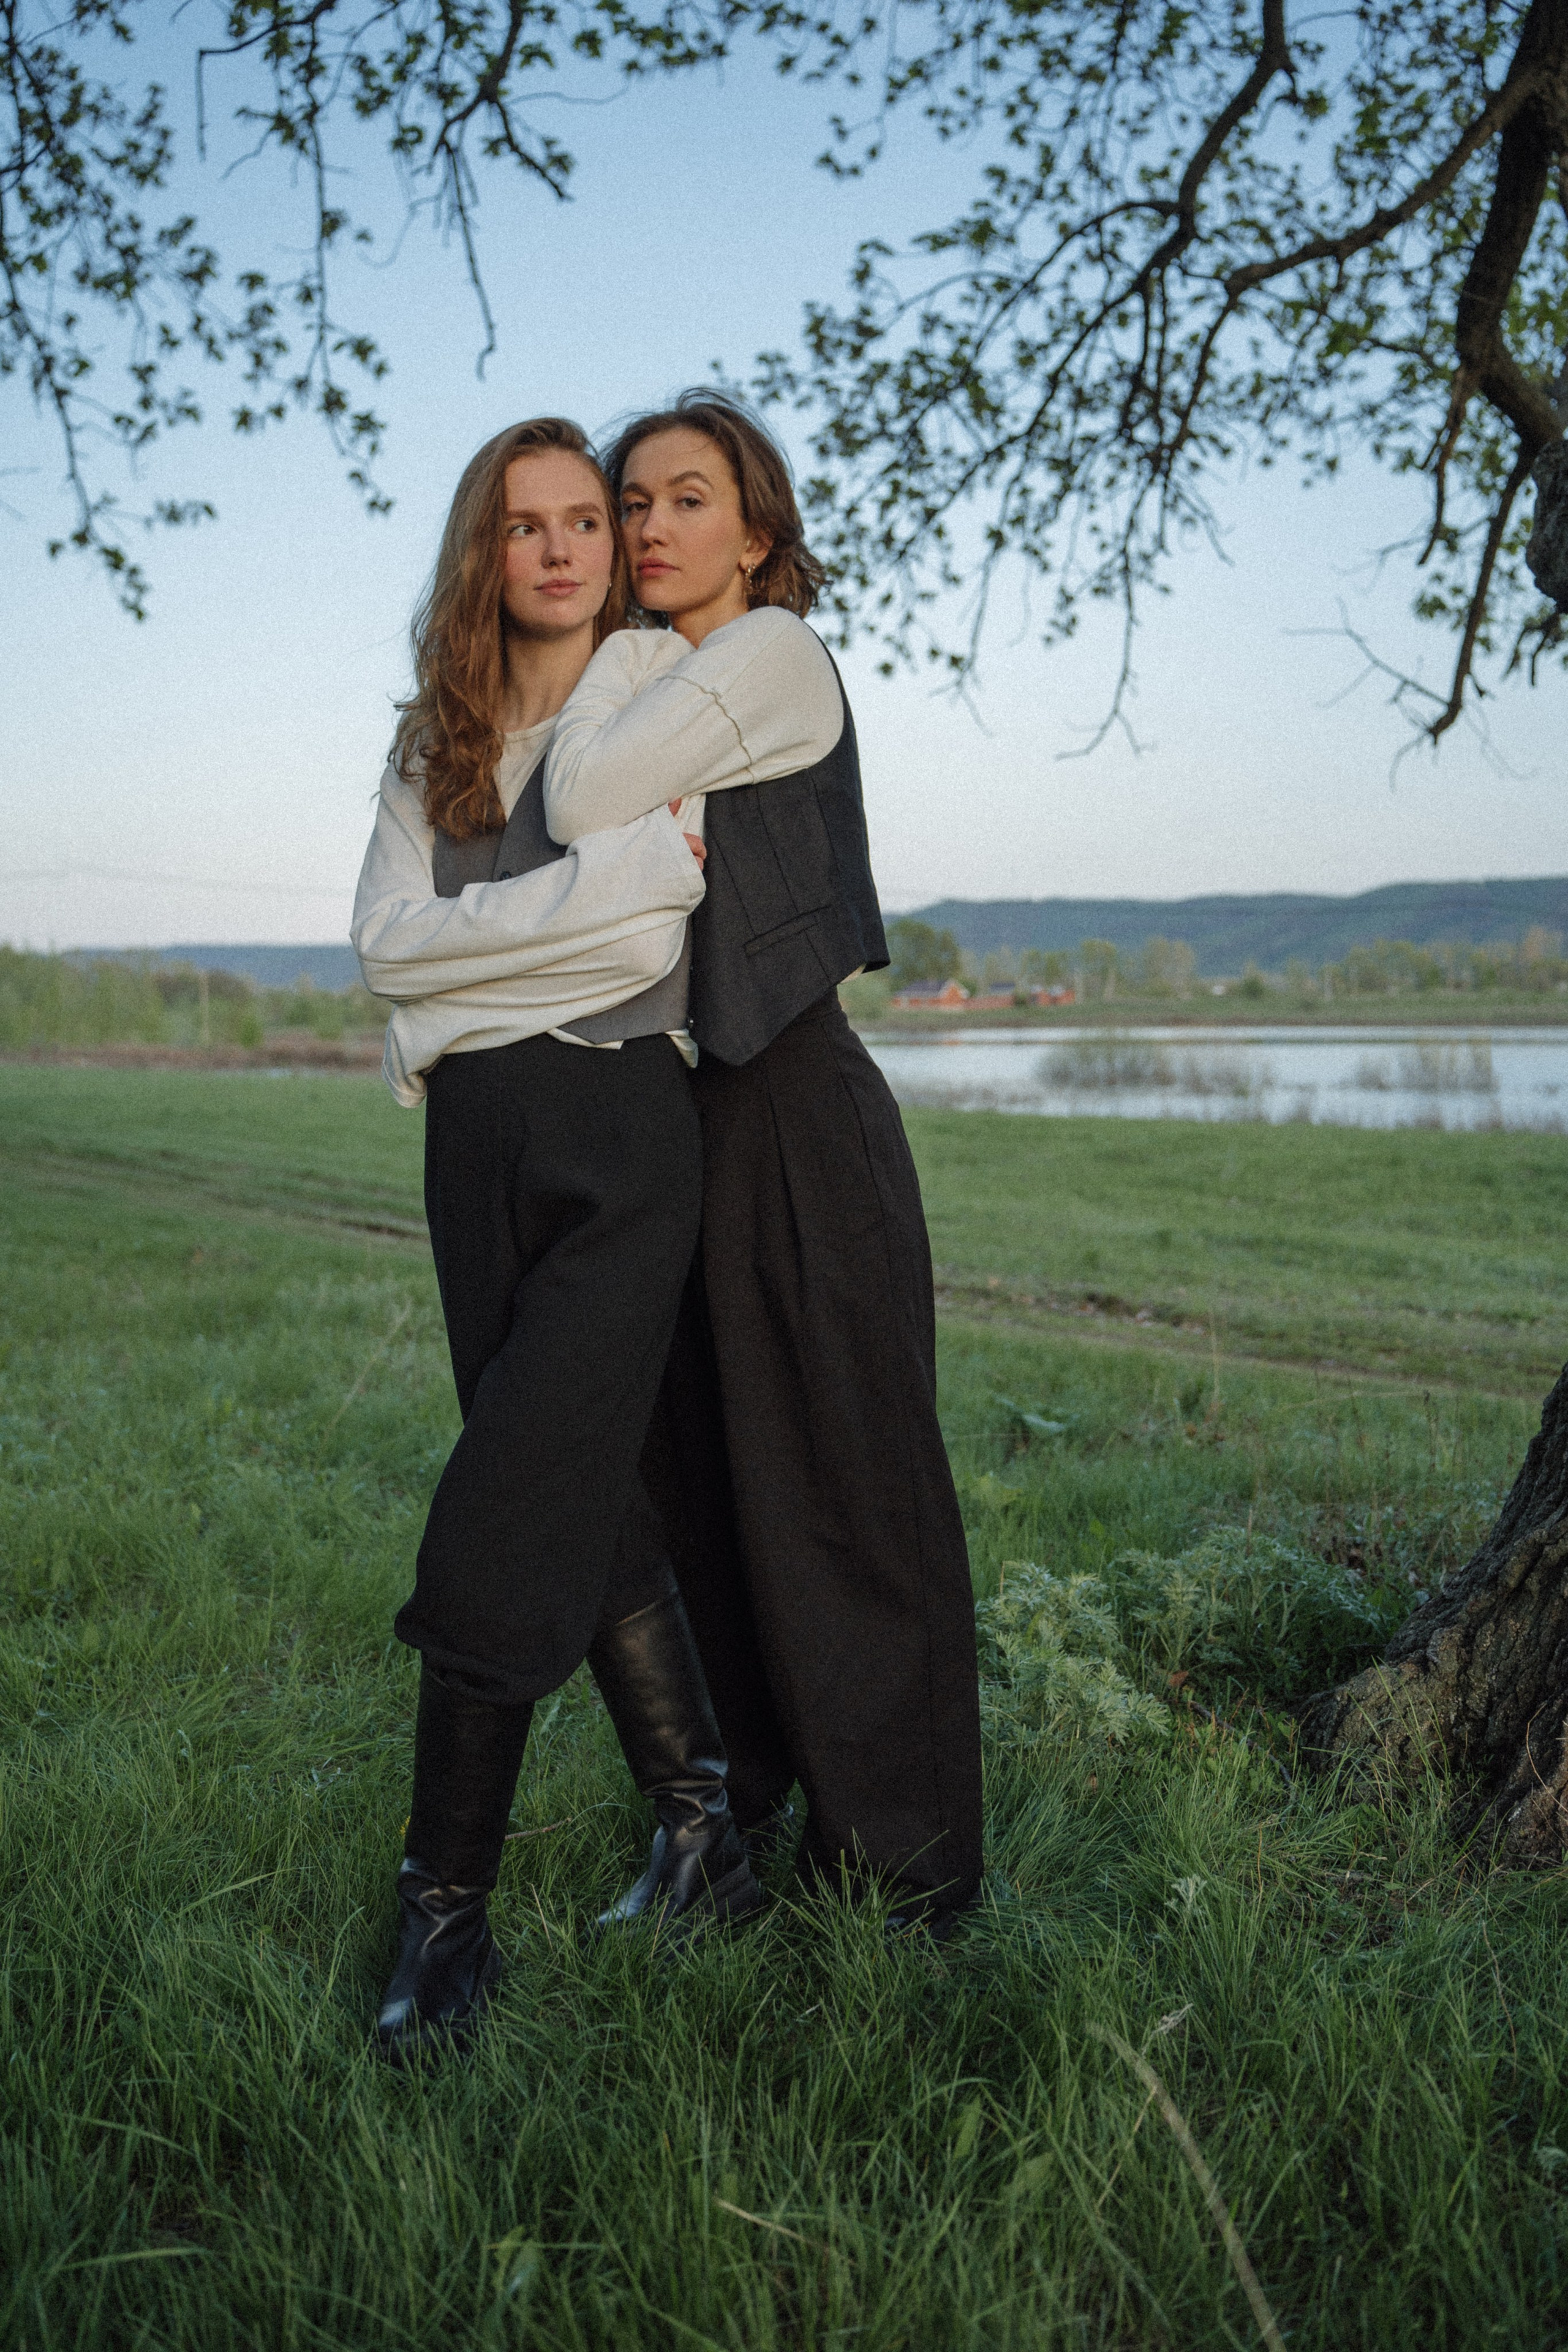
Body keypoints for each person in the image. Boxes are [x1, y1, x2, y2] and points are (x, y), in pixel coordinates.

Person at [541, 392, 985, 1934]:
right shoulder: (656, 670)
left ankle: (904, 1882)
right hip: (675, 1129)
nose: (651, 528)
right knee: (699, 1497)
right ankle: (725, 1843)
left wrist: (608, 677)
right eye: (632, 505)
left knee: (844, 1491)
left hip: (795, 1114)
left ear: (757, 531)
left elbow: (573, 798)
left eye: (685, 500)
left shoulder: (770, 658)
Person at [350, 417, 761, 2062]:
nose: (564, 549)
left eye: (586, 518)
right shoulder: (428, 741)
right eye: (525, 526)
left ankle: (439, 1916)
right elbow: (385, 956)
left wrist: (460, 970)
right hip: (477, 1158)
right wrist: (496, 951)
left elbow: (650, 923)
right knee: (575, 1481)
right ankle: (703, 1835)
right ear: (486, 552)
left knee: (505, 1498)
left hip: (617, 1132)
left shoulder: (659, 695)